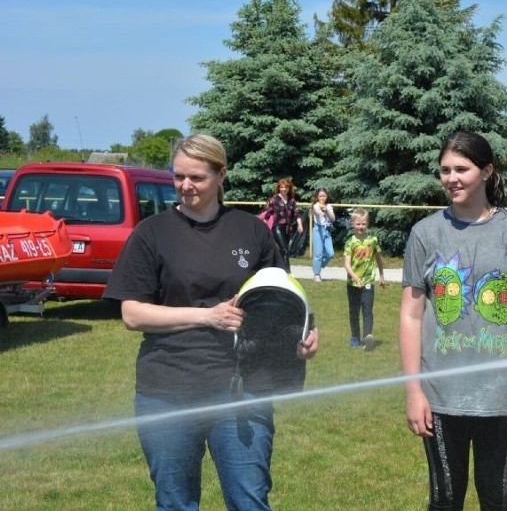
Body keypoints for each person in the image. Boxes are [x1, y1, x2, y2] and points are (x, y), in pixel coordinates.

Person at [103, 134, 319, 511]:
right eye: (178, 176)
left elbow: (282, 297)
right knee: (175, 503)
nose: (185, 186)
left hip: (242, 391)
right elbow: (132, 313)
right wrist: (208, 316)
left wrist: (304, 335)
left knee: (249, 500)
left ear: (222, 175)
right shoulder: (151, 234)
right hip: (167, 391)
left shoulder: (252, 231)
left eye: (197, 177)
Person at [399, 131, 507, 511]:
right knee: (445, 499)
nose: (452, 178)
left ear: (487, 171)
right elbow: (411, 315)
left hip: (503, 396)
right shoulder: (425, 234)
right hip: (441, 396)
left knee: (497, 498)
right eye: (445, 170)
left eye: (462, 169)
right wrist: (414, 391)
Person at [343, 208, 386, 350]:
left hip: (368, 282)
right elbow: (347, 264)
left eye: (363, 224)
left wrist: (381, 275)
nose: (361, 227)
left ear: (367, 224)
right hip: (353, 284)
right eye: (358, 224)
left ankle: (368, 337)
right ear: (352, 224)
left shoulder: (372, 241)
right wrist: (355, 277)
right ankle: (355, 337)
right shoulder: (350, 243)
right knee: (354, 311)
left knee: (367, 310)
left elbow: (379, 259)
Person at [261, 177, 303, 273]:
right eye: (282, 187)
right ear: (279, 188)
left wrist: (300, 224)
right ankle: (287, 271)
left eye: (286, 187)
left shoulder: (291, 200)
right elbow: (266, 212)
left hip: (288, 228)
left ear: (289, 188)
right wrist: (263, 223)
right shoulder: (274, 199)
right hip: (277, 227)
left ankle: (277, 269)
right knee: (285, 250)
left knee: (283, 250)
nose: (284, 189)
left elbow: (296, 213)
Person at [310, 187, 335, 282]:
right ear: (317, 197)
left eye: (324, 196)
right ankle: (317, 274)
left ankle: (319, 266)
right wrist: (322, 211)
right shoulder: (316, 205)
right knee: (318, 254)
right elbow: (318, 212)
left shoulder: (329, 206)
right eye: (320, 196)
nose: (322, 198)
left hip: (326, 230)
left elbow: (333, 218)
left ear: (327, 196)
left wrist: (327, 210)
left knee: (330, 253)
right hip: (318, 229)